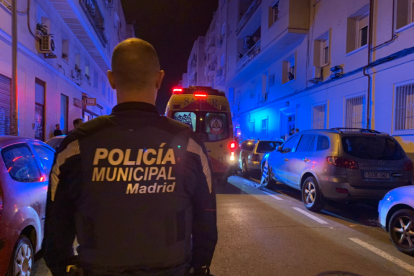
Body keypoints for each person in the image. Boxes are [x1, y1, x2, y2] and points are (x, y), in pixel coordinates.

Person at [42, 38, 218, 276]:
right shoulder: (189, 144)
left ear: (112, 79)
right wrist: (199, 266)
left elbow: (56, 225)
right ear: (159, 78)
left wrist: (63, 267)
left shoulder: (77, 144)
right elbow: (206, 217)